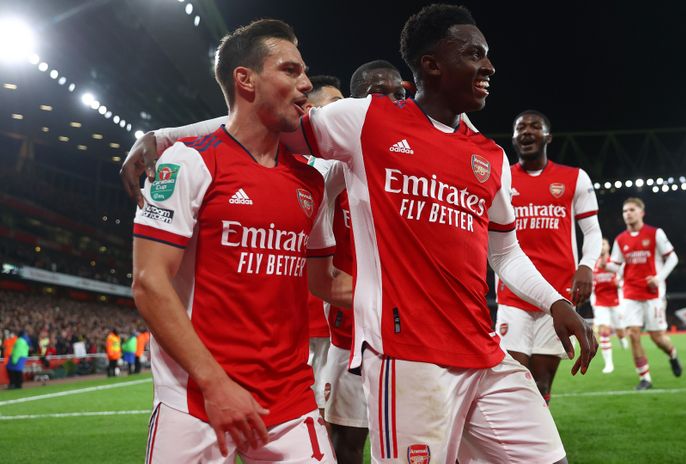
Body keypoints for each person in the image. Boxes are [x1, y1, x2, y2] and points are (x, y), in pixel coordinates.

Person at [122, 6, 596, 463]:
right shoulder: (367, 120)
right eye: (473, 54)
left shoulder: (490, 156)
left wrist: (555, 302)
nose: (489, 64)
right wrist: (163, 138)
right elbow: (259, 122)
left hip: (484, 350)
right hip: (408, 357)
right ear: (432, 65)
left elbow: (505, 252)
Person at [130, 19, 347, 462]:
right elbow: (149, 282)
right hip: (195, 399)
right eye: (290, 70)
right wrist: (214, 383)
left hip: (290, 400)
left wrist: (412, 300)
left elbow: (325, 282)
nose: (306, 84)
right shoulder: (187, 163)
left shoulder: (311, 181)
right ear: (244, 79)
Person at [312, 59, 407, 464]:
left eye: (395, 95)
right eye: (373, 96)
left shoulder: (416, 156)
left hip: (410, 333)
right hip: (347, 330)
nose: (385, 104)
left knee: (415, 442)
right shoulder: (333, 168)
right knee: (345, 441)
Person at [495, 110, 601, 404]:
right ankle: (511, 448)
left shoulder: (574, 178)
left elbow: (591, 231)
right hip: (512, 295)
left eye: (534, 126)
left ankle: (532, 449)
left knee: (541, 385)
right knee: (511, 382)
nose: (526, 131)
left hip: (556, 298)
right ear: (514, 138)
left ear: (548, 137)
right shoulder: (500, 179)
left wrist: (586, 266)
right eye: (520, 128)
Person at [302, 74, 345, 421]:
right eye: (337, 105)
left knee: (327, 413)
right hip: (293, 313)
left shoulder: (342, 165)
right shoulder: (286, 164)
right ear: (312, 112)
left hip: (332, 311)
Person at [610, 197, 682, 390]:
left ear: (642, 212)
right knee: (633, 334)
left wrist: (658, 278)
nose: (628, 214)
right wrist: (600, 264)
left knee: (657, 337)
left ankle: (673, 354)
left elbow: (673, 258)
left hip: (653, 294)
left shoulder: (655, 233)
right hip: (630, 293)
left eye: (632, 210)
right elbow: (615, 265)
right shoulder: (620, 240)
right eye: (625, 211)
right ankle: (645, 378)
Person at [592, 238, 625, 373]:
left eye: (603, 243)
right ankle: (609, 364)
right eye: (598, 244)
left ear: (609, 246)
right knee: (604, 332)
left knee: (620, 331)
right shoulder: (592, 265)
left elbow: (625, 280)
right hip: (600, 303)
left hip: (616, 302)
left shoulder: (615, 264)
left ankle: (622, 339)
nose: (601, 246)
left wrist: (619, 284)